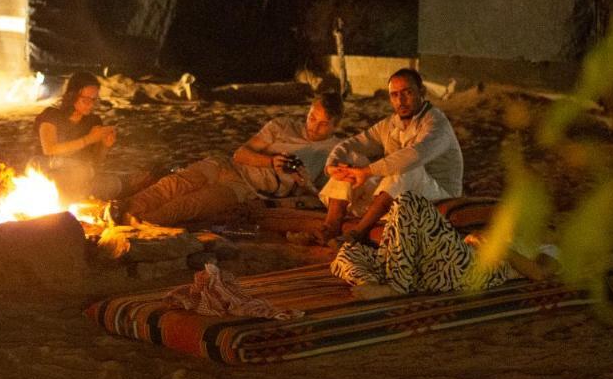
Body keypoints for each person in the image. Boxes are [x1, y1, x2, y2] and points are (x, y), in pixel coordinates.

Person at [121, 92, 344, 227]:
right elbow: (240, 154)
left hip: (245, 188)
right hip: (227, 165)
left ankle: (138, 224)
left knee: (190, 204)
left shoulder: (334, 151)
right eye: (312, 117)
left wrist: (303, 183)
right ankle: (121, 211)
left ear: (336, 125)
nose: (313, 126)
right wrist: (270, 161)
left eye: (323, 123)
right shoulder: (282, 125)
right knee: (174, 184)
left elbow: (322, 197)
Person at [319, 68, 462, 243]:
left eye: (407, 93)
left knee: (407, 167)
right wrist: (332, 164)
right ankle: (329, 229)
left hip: (438, 195)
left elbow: (413, 155)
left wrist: (368, 171)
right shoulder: (390, 124)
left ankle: (357, 233)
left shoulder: (436, 124)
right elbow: (352, 144)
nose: (400, 101)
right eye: (394, 95)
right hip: (398, 193)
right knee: (349, 164)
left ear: (421, 92)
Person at [330, 193, 559, 300]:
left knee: (409, 202)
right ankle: (373, 282)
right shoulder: (509, 232)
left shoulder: (548, 245)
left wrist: (497, 248)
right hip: (442, 268)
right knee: (349, 252)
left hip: (473, 270)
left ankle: (395, 287)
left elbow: (540, 273)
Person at [32, 72, 120, 199]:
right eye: (85, 100)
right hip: (47, 168)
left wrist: (105, 146)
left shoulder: (93, 121)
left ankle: (73, 194)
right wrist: (89, 139)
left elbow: (95, 162)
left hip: (77, 172)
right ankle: (73, 194)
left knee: (113, 184)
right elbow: (49, 149)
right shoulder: (51, 116)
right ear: (72, 96)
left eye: (94, 100)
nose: (91, 104)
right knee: (81, 171)